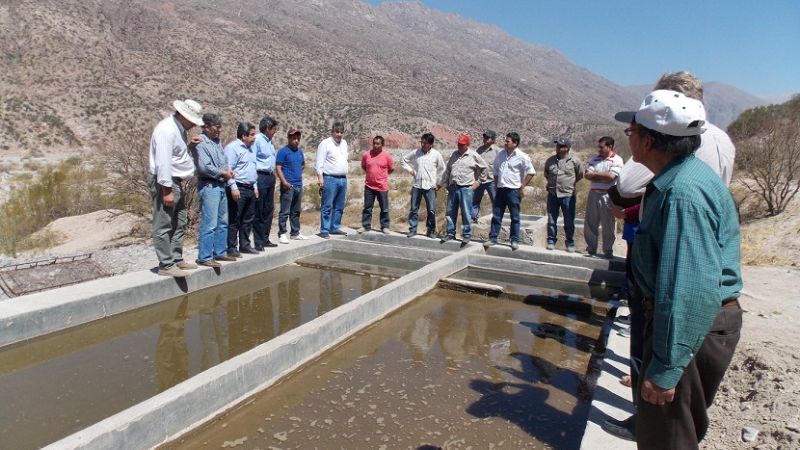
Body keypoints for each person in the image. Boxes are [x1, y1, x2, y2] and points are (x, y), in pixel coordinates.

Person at [603, 71, 738, 443]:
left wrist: (666, 367)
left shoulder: (681, 195)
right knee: (670, 431)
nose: (628, 138)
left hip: (689, 324)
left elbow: (689, 290)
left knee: (667, 438)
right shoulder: (682, 177)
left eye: (632, 132)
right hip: (692, 322)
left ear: (649, 140)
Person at [148, 99, 204, 277]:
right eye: (193, 120)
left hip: (175, 181)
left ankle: (176, 258)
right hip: (166, 181)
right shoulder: (167, 130)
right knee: (164, 223)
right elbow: (163, 162)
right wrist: (166, 191)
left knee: (179, 220)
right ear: (184, 115)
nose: (194, 124)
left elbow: (174, 156)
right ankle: (166, 264)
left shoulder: (178, 130)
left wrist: (190, 147)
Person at [192, 113, 236, 267]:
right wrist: (223, 172)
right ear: (207, 127)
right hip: (209, 185)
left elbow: (223, 160)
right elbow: (204, 167)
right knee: (209, 223)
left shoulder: (216, 142)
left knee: (222, 221)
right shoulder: (201, 142)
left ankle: (220, 252)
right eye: (217, 127)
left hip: (221, 184)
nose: (220, 130)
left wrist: (227, 172)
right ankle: (204, 256)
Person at [484, 132, 535, 250]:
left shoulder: (522, 156)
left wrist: (522, 186)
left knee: (515, 217)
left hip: (513, 191)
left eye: (508, 141)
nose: (505, 143)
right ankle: (493, 238)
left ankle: (514, 240)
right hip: (501, 189)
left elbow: (531, 172)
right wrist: (496, 185)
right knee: (496, 215)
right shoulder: (501, 154)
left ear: (515, 143)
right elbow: (496, 171)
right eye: (506, 141)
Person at [438, 133, 489, 244]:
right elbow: (448, 170)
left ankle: (466, 235)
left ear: (467, 144)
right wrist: (445, 184)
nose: (460, 146)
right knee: (450, 212)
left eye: (462, 144)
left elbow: (485, 168)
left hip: (466, 188)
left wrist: (479, 182)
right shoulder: (454, 155)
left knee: (466, 212)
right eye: (459, 144)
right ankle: (450, 233)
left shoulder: (473, 155)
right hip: (453, 188)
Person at [583, 136, 624, 258]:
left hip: (608, 195)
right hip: (594, 193)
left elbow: (611, 177)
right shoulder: (595, 159)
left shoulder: (617, 160)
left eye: (601, 147)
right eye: (598, 147)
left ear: (609, 147)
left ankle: (608, 250)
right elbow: (587, 175)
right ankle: (591, 248)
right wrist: (602, 176)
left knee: (608, 223)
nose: (599, 149)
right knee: (591, 222)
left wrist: (595, 175)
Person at [224, 122, 259, 256]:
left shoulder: (251, 149)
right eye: (251, 135)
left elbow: (252, 169)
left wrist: (255, 186)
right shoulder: (232, 148)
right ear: (243, 136)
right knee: (235, 218)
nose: (254, 137)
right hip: (238, 187)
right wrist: (233, 187)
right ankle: (231, 247)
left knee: (248, 218)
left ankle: (245, 245)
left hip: (249, 187)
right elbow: (228, 168)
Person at [543, 137, 584, 252]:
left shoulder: (574, 161)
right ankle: (551, 240)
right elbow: (547, 173)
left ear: (566, 148)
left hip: (567, 195)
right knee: (551, 219)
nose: (557, 148)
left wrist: (569, 184)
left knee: (569, 220)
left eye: (560, 146)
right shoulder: (550, 160)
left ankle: (570, 242)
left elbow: (580, 175)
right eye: (557, 146)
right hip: (552, 194)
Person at [402, 133, 445, 238]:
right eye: (421, 142)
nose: (422, 144)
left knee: (431, 209)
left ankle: (430, 231)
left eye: (425, 143)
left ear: (431, 143)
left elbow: (443, 169)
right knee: (414, 208)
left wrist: (439, 184)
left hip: (430, 186)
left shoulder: (436, 154)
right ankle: (412, 229)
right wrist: (410, 170)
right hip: (417, 185)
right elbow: (403, 160)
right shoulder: (416, 152)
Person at [316, 121, 349, 238]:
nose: (339, 134)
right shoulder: (325, 143)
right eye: (337, 132)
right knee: (327, 205)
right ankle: (324, 229)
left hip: (343, 179)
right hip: (330, 178)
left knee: (339, 206)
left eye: (341, 132)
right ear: (332, 132)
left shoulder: (344, 143)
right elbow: (319, 162)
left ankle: (335, 227)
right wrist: (320, 177)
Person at [252, 116, 279, 250]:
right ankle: (258, 241)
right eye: (274, 129)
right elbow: (252, 159)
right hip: (260, 176)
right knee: (259, 209)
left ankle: (265, 238)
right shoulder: (257, 140)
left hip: (270, 177)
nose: (275, 132)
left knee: (269, 209)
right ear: (267, 128)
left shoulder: (269, 142)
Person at [275, 129, 307, 243]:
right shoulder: (283, 151)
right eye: (293, 139)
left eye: (298, 139)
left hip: (298, 185)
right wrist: (284, 181)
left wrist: (296, 172)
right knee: (285, 211)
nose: (296, 141)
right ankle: (282, 233)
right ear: (289, 139)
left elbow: (303, 164)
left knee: (296, 211)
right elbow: (278, 167)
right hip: (288, 185)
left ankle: (295, 232)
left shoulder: (299, 152)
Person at [359, 135, 394, 234]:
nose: (375, 145)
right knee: (367, 207)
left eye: (378, 144)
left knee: (384, 208)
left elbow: (391, 169)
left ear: (382, 145)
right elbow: (364, 166)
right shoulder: (366, 155)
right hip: (369, 186)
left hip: (382, 187)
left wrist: (382, 177)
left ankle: (385, 227)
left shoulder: (387, 156)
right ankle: (366, 226)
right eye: (374, 143)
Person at [471, 130, 501, 223]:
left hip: (492, 180)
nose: (485, 139)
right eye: (484, 137)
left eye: (487, 138)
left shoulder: (497, 151)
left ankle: (497, 219)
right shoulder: (479, 150)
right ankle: (473, 218)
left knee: (496, 201)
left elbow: (501, 166)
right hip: (480, 180)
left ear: (493, 139)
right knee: (475, 201)